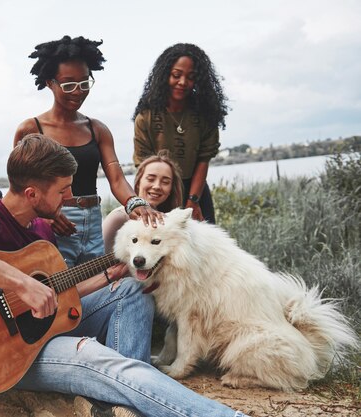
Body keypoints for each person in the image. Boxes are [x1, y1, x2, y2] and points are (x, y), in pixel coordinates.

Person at [0, 134, 249, 417]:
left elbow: (59, 296)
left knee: (130, 287)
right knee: (94, 356)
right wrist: (21, 283)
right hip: (2, 354)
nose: (69, 198)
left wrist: (109, 275)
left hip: (41, 333)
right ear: (32, 194)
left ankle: (120, 403)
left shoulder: (41, 234)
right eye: (62, 191)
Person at [13, 35, 161, 268]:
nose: (78, 92)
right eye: (69, 84)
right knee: (62, 293)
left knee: (96, 286)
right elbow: (20, 190)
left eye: (84, 83)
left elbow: (117, 179)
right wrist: (44, 218)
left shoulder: (97, 129)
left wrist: (135, 204)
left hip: (92, 220)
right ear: (50, 83)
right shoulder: (31, 129)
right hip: (56, 223)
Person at [132, 43, 228, 223]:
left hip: (195, 192)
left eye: (191, 77)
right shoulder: (146, 117)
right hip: (158, 192)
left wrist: (193, 201)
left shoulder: (205, 116)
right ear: (164, 75)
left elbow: (203, 159)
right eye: (176, 75)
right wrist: (151, 202)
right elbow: (143, 166)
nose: (183, 82)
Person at [103, 150, 183, 254]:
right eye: (150, 179)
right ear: (138, 183)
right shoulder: (119, 217)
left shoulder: (168, 219)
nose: (157, 186)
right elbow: (96, 262)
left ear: (171, 189)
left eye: (165, 182)